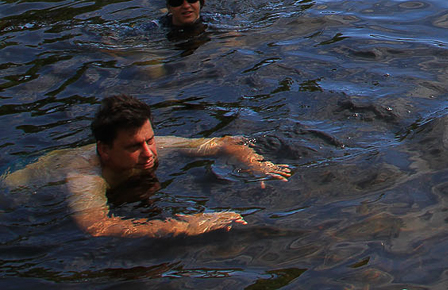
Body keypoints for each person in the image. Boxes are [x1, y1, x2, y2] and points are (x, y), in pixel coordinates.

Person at [1, 95, 290, 238]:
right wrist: (181, 226)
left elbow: (222, 142)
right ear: (104, 149)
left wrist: (256, 164)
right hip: (16, 191)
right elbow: (96, 226)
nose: (149, 152)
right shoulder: (86, 174)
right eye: (134, 147)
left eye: (149, 139)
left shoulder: (149, 144)